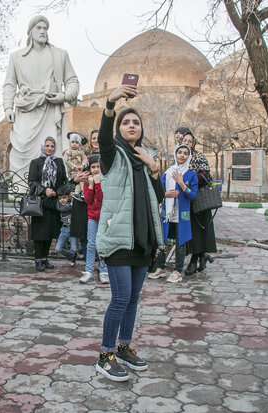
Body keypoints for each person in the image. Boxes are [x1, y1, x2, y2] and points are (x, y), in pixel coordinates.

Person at [94, 85, 165, 381]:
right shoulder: (113, 154)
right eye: (126, 122)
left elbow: (158, 197)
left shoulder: (147, 158)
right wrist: (111, 103)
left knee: (133, 299)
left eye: (135, 122)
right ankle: (105, 354)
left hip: (142, 239)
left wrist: (154, 170)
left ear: (141, 128)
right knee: (120, 298)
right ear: (119, 128)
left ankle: (124, 347)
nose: (131, 126)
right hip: (118, 239)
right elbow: (104, 138)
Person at [3, 15, 79, 181]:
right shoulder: (17, 57)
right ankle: (22, 190)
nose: (43, 31)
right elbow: (9, 84)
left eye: (45, 28)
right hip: (25, 108)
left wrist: (64, 96)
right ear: (30, 32)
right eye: (39, 28)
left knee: (51, 149)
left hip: (50, 109)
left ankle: (50, 188)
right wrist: (8, 107)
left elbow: (72, 81)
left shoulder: (60, 55)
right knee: (21, 148)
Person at [149, 144, 198, 283]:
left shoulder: (190, 174)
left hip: (182, 215)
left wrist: (182, 184)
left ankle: (177, 271)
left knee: (180, 241)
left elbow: (192, 196)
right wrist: (166, 194)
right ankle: (161, 267)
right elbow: (158, 192)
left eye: (185, 153)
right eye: (179, 152)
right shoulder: (168, 172)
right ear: (175, 155)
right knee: (163, 240)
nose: (182, 155)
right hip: (167, 213)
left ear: (188, 156)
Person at [28, 136, 68, 272]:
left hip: (54, 203)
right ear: (42, 147)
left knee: (50, 232)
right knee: (40, 233)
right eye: (47, 146)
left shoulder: (59, 162)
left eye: (52, 146)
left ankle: (45, 258)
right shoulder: (36, 162)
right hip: (40, 203)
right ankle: (38, 259)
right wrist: (45, 190)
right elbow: (32, 182)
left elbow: (64, 180)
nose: (49, 148)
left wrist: (60, 192)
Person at [183, 130, 217, 274]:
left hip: (198, 200)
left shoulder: (199, 157)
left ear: (194, 144)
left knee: (198, 231)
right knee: (188, 231)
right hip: (184, 200)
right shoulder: (180, 156)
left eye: (190, 141)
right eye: (185, 141)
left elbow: (205, 176)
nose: (187, 143)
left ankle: (194, 260)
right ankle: (202, 256)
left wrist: (189, 177)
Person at [80, 155, 108, 284]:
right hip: (92, 217)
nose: (96, 169)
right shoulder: (87, 181)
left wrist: (97, 184)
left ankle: (104, 271)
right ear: (89, 168)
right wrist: (91, 185)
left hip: (104, 217)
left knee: (103, 244)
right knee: (91, 244)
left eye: (98, 166)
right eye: (93, 167)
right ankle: (89, 270)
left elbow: (102, 198)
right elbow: (88, 201)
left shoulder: (106, 180)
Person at [54, 185, 78, 266]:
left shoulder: (73, 203)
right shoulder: (60, 206)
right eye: (60, 198)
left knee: (74, 248)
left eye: (64, 198)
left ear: (69, 197)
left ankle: (87, 251)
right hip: (64, 228)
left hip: (73, 229)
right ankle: (72, 255)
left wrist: (72, 198)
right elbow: (61, 208)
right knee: (58, 248)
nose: (62, 200)